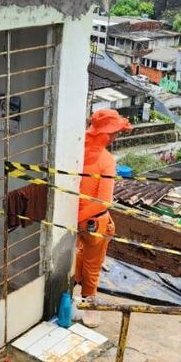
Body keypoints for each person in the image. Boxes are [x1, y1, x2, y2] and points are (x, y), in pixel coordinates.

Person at [74, 109, 132, 328]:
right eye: (115, 132)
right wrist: (78, 218)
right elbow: (103, 201)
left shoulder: (76, 149)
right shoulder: (106, 161)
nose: (116, 136)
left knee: (74, 258)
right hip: (94, 223)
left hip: (74, 219)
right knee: (92, 266)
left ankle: (70, 298)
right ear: (106, 133)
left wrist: (73, 218)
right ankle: (89, 307)